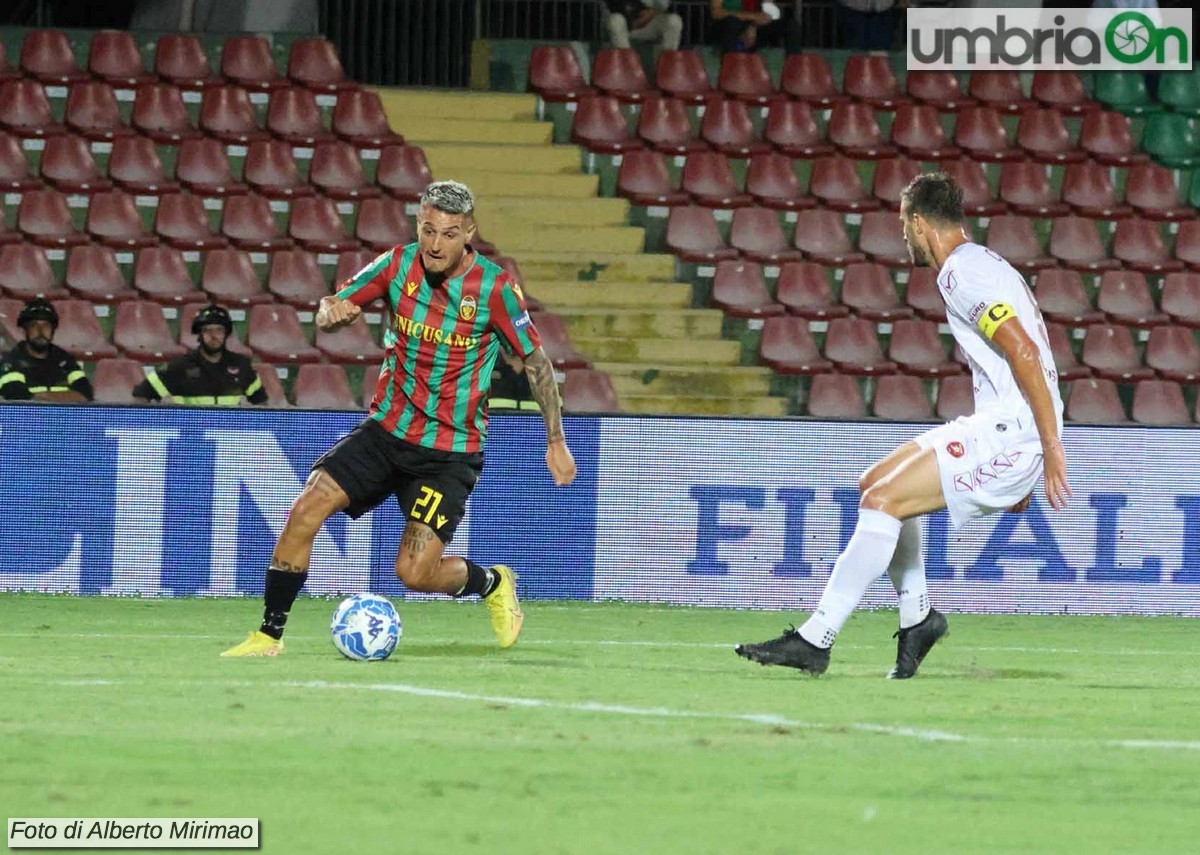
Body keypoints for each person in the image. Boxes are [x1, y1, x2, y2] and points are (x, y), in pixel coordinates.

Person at [736, 172, 1071, 679]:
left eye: (902, 224)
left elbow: (1023, 350)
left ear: (919, 222)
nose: (903, 236)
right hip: (1003, 425)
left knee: (883, 502)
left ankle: (816, 638)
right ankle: (918, 618)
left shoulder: (962, 273)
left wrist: (1046, 447)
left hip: (1015, 431)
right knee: (873, 483)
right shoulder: (982, 263)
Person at [222, 180, 577, 658]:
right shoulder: (396, 264)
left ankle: (493, 582)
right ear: (417, 224)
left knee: (414, 574)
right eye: (428, 230)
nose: (435, 244)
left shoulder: (495, 288)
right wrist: (332, 314)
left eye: (449, 234)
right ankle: (268, 636)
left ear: (469, 231)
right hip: (386, 432)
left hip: (447, 454)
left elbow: (537, 363)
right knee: (305, 509)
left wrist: (555, 438)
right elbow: (335, 302)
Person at [132, 304, 268, 406]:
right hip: (189, 436)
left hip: (228, 435)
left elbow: (262, 403)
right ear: (199, 335)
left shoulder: (241, 365)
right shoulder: (178, 366)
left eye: (219, 330)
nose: (213, 336)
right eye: (207, 331)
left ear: (226, 334)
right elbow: (140, 396)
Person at [0, 298, 94, 403]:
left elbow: (86, 393)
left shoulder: (65, 360)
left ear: (53, 331)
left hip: (64, 418)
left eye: (46, 326)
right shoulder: (11, 362)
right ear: (23, 331)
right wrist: (66, 396)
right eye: (34, 326)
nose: (41, 331)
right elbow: (17, 397)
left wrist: (43, 396)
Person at [708, 0, 802, 55]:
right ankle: (732, 69)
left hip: (754, 26)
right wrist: (751, 16)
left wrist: (754, 25)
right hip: (726, 27)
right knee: (733, 22)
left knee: (791, 25)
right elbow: (716, 13)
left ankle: (794, 73)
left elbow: (770, 13)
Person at [604, 0, 683, 52]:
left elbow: (663, 5)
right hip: (623, 26)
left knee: (674, 21)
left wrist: (651, 13)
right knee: (615, 20)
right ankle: (626, 66)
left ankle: (665, 68)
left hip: (648, 24)